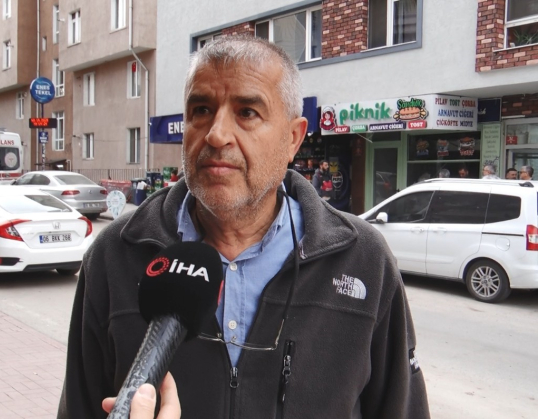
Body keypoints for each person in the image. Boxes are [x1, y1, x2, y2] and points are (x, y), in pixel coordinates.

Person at [58, 36, 429, 419]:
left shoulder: (364, 260)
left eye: (247, 112)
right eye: (201, 110)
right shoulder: (115, 255)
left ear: (293, 138)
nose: (216, 134)